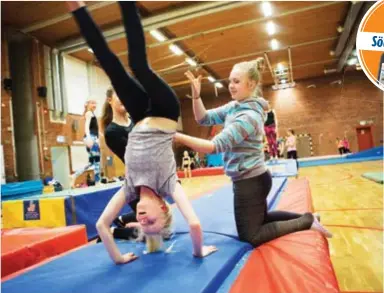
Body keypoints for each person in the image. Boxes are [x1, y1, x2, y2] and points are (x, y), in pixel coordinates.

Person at [67, 1, 217, 264]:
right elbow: (194, 224)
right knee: (138, 65)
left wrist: (119, 259)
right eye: (152, 222)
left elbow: (102, 226)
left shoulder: (129, 190)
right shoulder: (170, 185)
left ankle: (77, 8)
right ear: (163, 208)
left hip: (139, 116)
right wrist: (198, 251)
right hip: (166, 110)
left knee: (110, 65)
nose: (143, 221)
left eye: (141, 223)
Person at [175, 61, 332, 248]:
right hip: (252, 178)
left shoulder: (249, 116)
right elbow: (203, 118)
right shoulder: (234, 106)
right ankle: (310, 218)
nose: (231, 85)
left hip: (251, 181)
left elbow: (214, 146)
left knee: (251, 235)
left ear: (250, 84)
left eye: (236, 81)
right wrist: (196, 96)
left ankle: (306, 222)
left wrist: (177, 136)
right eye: (230, 81)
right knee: (261, 218)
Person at [70, 99, 101, 188]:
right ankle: (98, 182)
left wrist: (100, 135)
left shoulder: (92, 113)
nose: (94, 105)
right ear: (87, 104)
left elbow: (93, 128)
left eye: (95, 103)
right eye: (92, 103)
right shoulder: (89, 113)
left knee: (92, 162)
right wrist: (89, 137)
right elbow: (86, 126)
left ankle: (74, 175)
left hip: (92, 137)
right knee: (97, 160)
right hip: (91, 138)